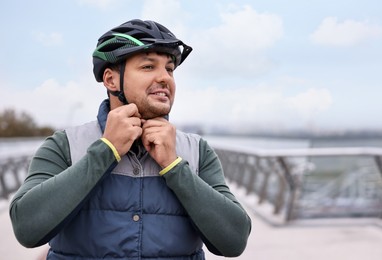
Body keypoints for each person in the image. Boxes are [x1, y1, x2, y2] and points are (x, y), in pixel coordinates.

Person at [9, 19, 251, 259]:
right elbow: (27, 229)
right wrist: (106, 150)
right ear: (111, 80)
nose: (165, 77)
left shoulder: (197, 150)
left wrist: (175, 167)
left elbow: (234, 242)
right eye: (148, 67)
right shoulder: (64, 145)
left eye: (169, 69)